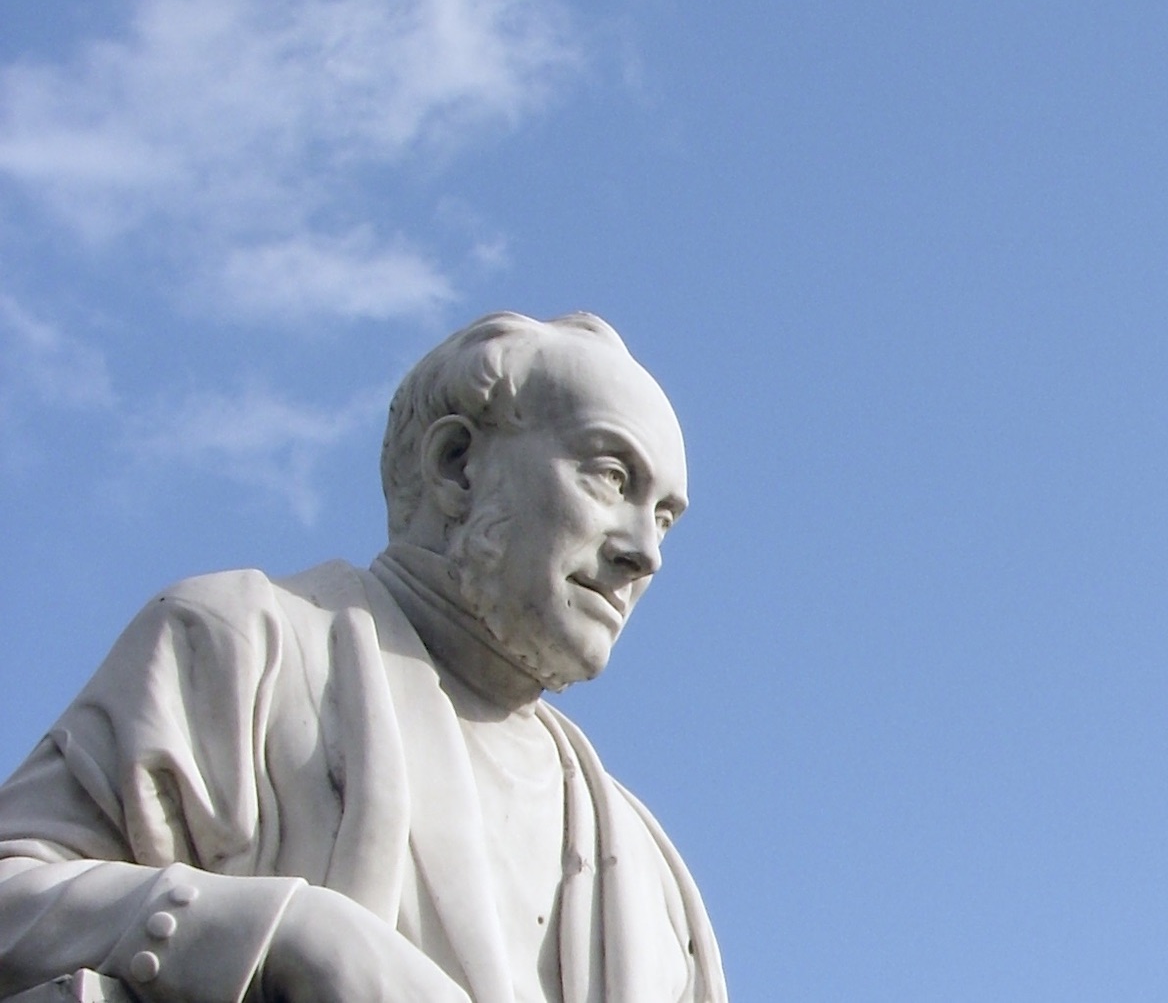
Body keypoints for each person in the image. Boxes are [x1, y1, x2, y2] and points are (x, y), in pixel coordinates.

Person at [0, 312, 727, 1003]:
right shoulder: (242, 647)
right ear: (455, 464)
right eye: (612, 477)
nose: (646, 553)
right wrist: (283, 932)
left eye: (664, 515)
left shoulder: (648, 871)